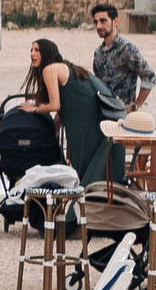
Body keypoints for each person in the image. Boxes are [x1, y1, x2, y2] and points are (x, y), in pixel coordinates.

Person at [22, 37, 109, 184]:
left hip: (84, 120)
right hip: (94, 116)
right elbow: (66, 103)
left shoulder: (49, 69)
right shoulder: (64, 66)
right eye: (31, 50)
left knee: (83, 162)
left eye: (37, 50)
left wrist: (34, 109)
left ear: (46, 52)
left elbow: (55, 105)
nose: (32, 54)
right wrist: (53, 130)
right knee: (92, 163)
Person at [90, 3, 156, 113]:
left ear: (115, 21)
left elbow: (149, 76)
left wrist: (135, 105)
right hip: (104, 112)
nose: (99, 26)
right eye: (96, 22)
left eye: (103, 21)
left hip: (122, 114)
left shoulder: (126, 48)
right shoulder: (98, 53)